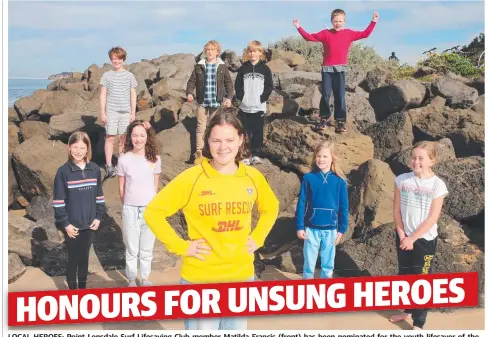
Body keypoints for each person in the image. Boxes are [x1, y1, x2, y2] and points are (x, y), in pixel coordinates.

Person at [144, 111, 280, 330]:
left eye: (229, 140)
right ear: (208, 141)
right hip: (201, 280)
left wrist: (257, 238)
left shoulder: (252, 177)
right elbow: (153, 212)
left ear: (241, 140)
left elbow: (271, 207)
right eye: (216, 140)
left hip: (241, 277)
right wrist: (181, 246)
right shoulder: (192, 177)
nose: (223, 147)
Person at [389, 141, 448, 330]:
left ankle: (418, 323)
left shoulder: (437, 185)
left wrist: (412, 238)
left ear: (432, 160)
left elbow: (432, 218)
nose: (416, 161)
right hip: (403, 236)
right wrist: (401, 234)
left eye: (421, 158)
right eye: (413, 157)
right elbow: (396, 211)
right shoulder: (402, 180)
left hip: (424, 240)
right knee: (405, 276)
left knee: (421, 280)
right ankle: (407, 310)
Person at [293, 9, 379, 133]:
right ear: (331, 21)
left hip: (340, 70)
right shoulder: (325, 33)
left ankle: (340, 121)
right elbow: (308, 37)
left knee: (340, 95)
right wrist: (298, 27)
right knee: (326, 95)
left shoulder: (349, 33)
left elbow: (365, 34)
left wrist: (373, 21)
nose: (337, 23)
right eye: (335, 21)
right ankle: (324, 118)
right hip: (327, 69)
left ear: (344, 21)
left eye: (340, 21)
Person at [52, 131, 105, 289]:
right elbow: (58, 202)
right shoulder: (63, 172)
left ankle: (82, 290)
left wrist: (98, 217)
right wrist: (66, 224)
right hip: (72, 226)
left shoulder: (94, 169)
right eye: (75, 147)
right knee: (73, 259)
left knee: (84, 258)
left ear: (87, 149)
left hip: (90, 225)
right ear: (69, 148)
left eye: (82, 148)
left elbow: (99, 197)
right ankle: (73, 292)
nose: (78, 151)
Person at [295, 140, 348, 279]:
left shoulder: (339, 182)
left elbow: (344, 207)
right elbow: (301, 203)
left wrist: (341, 229)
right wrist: (300, 227)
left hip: (331, 229)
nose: (321, 159)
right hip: (311, 228)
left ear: (332, 159)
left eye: (325, 156)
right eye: (318, 156)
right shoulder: (308, 178)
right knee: (309, 264)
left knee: (328, 265)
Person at [117, 120, 161, 287]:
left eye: (142, 135)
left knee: (146, 249)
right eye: (135, 135)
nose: (138, 139)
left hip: (150, 209)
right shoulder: (123, 160)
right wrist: (128, 204)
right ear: (130, 137)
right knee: (131, 249)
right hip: (130, 209)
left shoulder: (155, 159)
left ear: (147, 137)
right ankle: (131, 279)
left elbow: (155, 185)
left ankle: (145, 278)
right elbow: (121, 188)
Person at [186, 40, 234, 165]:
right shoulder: (200, 65)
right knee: (200, 128)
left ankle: (213, 154)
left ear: (218, 52)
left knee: (215, 128)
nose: (210, 52)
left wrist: (228, 98)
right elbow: (192, 81)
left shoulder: (222, 66)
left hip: (217, 103)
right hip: (202, 102)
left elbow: (228, 83)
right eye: (208, 49)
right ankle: (199, 154)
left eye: (213, 49)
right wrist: (189, 93)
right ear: (205, 51)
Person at [100, 46, 138, 179]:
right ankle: (109, 165)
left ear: (123, 59)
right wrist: (103, 113)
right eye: (114, 59)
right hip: (111, 111)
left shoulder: (129, 76)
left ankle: (121, 164)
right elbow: (103, 95)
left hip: (125, 112)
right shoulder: (106, 76)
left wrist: (133, 112)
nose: (116, 61)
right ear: (111, 59)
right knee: (110, 137)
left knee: (122, 138)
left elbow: (133, 94)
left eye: (119, 58)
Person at [235, 40, 273, 166]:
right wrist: (242, 97)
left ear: (260, 53)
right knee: (245, 132)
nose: (252, 54)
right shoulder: (243, 68)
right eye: (250, 51)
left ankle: (256, 155)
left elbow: (269, 86)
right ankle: (245, 155)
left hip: (259, 107)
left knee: (258, 131)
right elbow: (238, 85)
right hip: (245, 107)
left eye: (255, 51)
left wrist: (262, 98)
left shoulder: (265, 69)